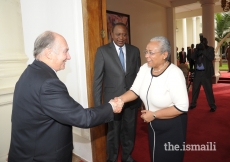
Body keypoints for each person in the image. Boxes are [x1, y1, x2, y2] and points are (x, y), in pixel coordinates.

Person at [8, 31, 123, 162]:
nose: (68, 57)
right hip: (40, 157)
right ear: (49, 53)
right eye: (65, 51)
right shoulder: (48, 84)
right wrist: (111, 106)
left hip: (26, 150)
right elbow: (83, 118)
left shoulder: (30, 72)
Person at [116, 36, 189, 162]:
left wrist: (154, 114)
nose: (147, 56)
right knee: (156, 156)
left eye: (151, 53)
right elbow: (135, 90)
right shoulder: (145, 68)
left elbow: (181, 107)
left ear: (164, 54)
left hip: (172, 126)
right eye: (146, 51)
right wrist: (120, 99)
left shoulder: (174, 73)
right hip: (153, 123)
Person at [93, 22, 141, 162]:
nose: (121, 37)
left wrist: (141, 99)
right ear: (111, 35)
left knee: (129, 131)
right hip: (112, 101)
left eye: (124, 34)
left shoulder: (134, 51)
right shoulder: (102, 51)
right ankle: (112, 159)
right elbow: (97, 80)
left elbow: (138, 77)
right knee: (113, 133)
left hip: (131, 100)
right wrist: (99, 106)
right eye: (118, 34)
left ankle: (127, 156)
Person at [189, 37, 217, 112]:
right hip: (198, 72)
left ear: (206, 42)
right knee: (195, 89)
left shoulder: (210, 49)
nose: (202, 43)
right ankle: (193, 104)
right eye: (201, 41)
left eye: (204, 42)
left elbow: (211, 57)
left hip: (206, 73)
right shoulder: (197, 50)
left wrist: (204, 50)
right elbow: (192, 57)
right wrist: (197, 49)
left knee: (208, 90)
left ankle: (212, 105)